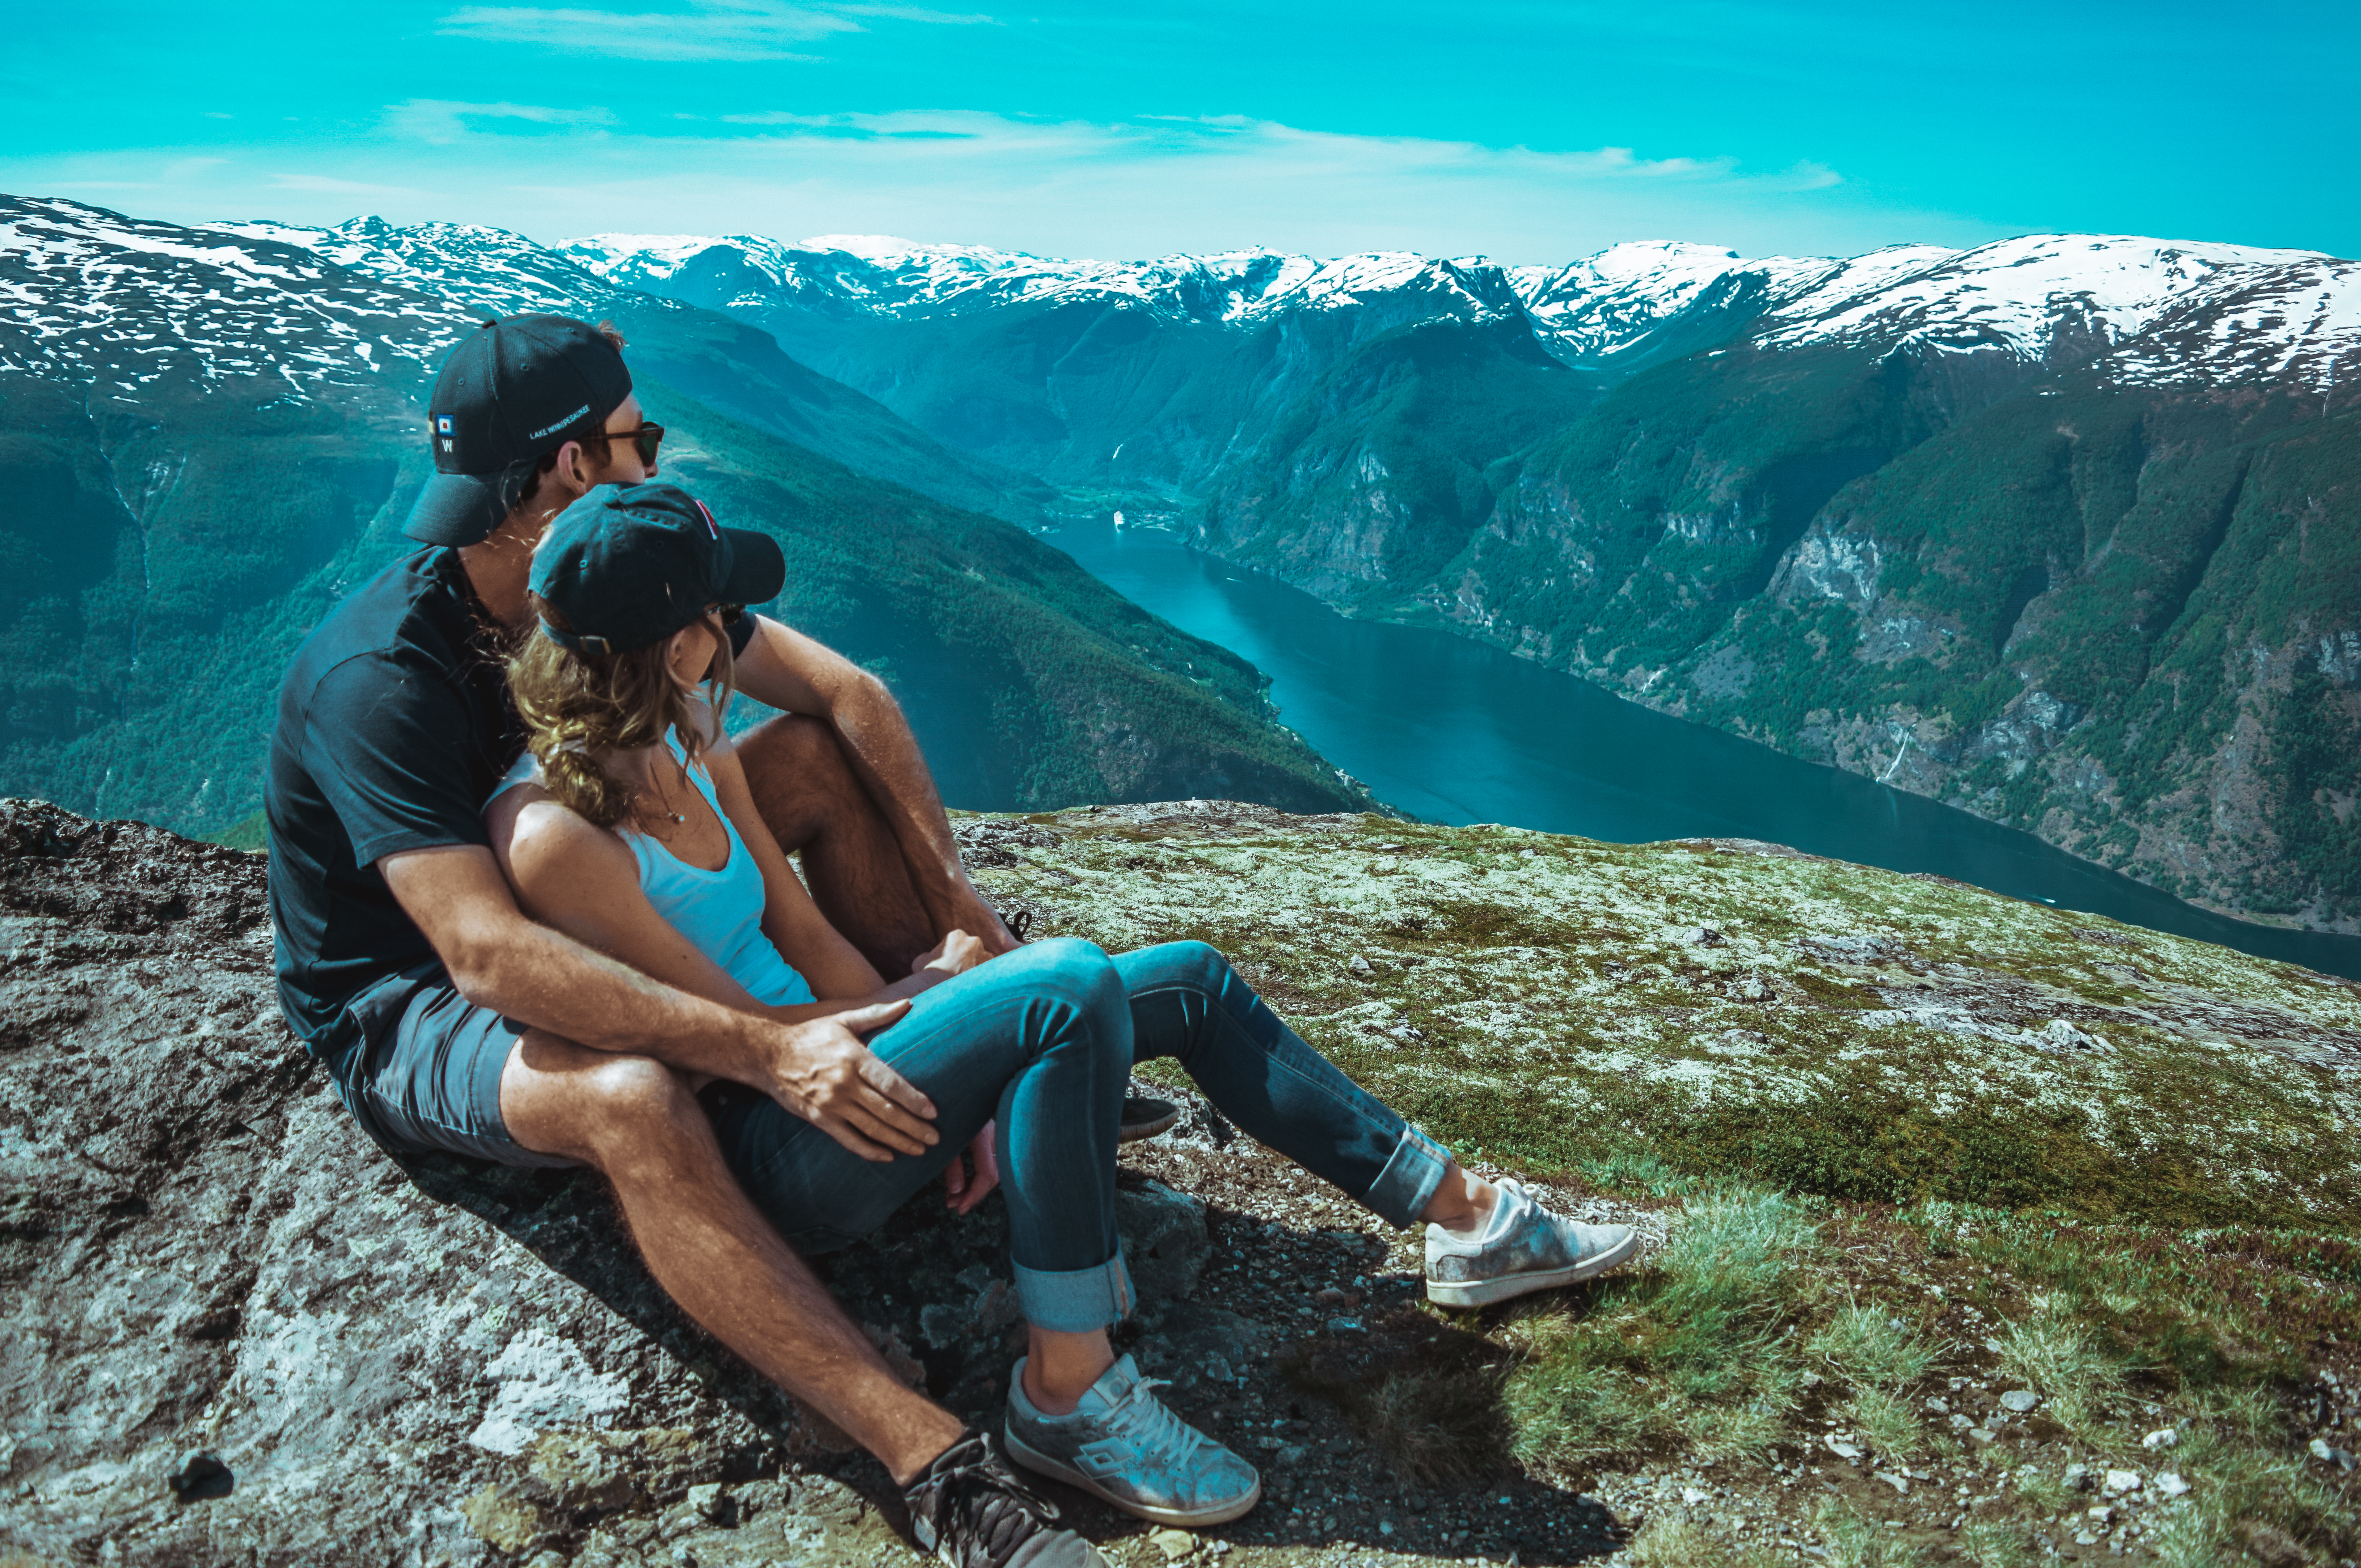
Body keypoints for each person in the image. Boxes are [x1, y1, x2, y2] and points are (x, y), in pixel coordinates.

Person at [478, 480, 1646, 1531]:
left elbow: (807, 941)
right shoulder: (557, 840)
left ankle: (1466, 1219)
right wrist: (942, 1000)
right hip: (781, 1141)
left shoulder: (694, 740)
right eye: (718, 613)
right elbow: (726, 1041)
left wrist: (943, 1044)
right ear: (677, 644)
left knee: (1186, 978)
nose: (735, 629)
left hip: (864, 1064)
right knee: (1067, 985)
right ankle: (1066, 1395)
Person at [265, 315, 1117, 1568]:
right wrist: (771, 1052)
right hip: (409, 997)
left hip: (574, 878)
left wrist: (968, 927)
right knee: (630, 1095)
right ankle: (930, 1464)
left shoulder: (616, 573)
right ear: (570, 465)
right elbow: (484, 957)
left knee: (810, 762)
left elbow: (847, 697)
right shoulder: (382, 679)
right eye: (640, 437)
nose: (657, 459)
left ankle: (948, 1060)